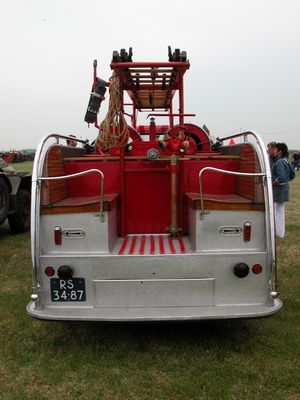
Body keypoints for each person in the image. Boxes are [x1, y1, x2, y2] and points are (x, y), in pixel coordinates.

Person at [271, 142, 295, 238]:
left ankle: (277, 232)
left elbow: (281, 177)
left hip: (278, 189)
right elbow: (292, 175)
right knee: (280, 211)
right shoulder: (286, 160)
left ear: (280, 151)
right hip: (284, 188)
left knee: (276, 211)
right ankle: (280, 233)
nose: (273, 151)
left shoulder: (279, 162)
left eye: (275, 150)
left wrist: (273, 183)